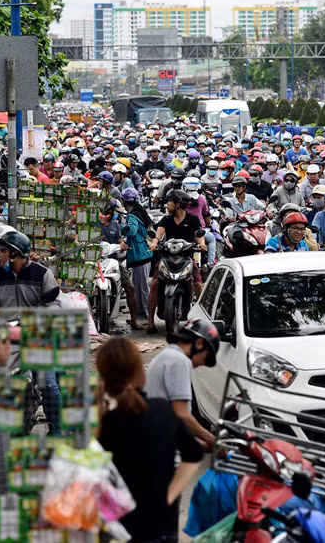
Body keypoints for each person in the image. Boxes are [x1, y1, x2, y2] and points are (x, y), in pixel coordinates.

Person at [96, 337, 203, 543]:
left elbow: (95, 472)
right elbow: (194, 455)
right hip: (165, 525)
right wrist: (169, 497)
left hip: (129, 528)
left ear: (106, 380)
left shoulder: (110, 423)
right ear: (139, 371)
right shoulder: (163, 409)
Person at [0, 230, 63, 435]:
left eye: (2, 251)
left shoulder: (42, 274)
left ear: (15, 253)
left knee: (48, 383)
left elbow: (55, 304)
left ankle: (57, 430)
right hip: (6, 335)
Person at [144, 319, 220, 450]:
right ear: (199, 343)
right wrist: (211, 439)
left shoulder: (167, 356)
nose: (203, 363)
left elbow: (175, 423)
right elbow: (182, 414)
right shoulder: (180, 361)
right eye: (206, 357)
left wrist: (204, 446)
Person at [147, 190, 206, 334]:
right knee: (154, 284)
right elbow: (158, 235)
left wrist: (202, 244)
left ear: (178, 204)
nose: (167, 205)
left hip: (187, 257)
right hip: (167, 256)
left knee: (198, 284)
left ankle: (204, 320)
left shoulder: (192, 219)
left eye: (169, 202)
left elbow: (199, 235)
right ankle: (150, 322)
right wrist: (154, 243)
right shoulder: (166, 219)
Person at [120, 189, 153, 330]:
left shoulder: (132, 215)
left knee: (141, 287)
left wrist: (121, 228)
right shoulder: (138, 211)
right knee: (140, 286)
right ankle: (141, 314)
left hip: (140, 254)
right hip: (144, 253)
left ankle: (143, 315)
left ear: (124, 201)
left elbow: (132, 231)